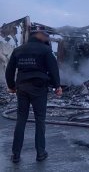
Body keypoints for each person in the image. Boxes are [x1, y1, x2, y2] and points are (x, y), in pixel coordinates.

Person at [5, 25, 62, 163]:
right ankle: (40, 153)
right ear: (40, 36)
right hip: (39, 88)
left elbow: (9, 70)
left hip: (22, 88)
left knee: (21, 120)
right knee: (40, 120)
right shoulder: (46, 50)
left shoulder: (18, 50)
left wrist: (11, 86)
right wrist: (57, 86)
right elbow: (53, 69)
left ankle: (16, 155)